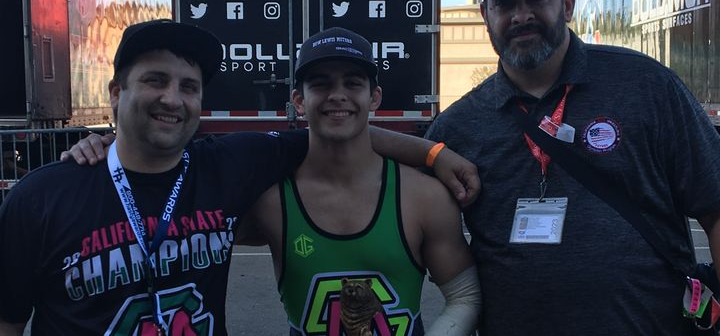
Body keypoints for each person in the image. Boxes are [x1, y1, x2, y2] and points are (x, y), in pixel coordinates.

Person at [0, 20, 480, 335]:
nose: (172, 98)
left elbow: (340, 131)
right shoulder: (40, 197)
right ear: (115, 92)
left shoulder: (225, 167)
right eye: (154, 81)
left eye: (189, 87)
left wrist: (434, 153)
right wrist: (103, 143)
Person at [424, 0, 720, 336]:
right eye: (505, 4)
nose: (521, 15)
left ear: (566, 5)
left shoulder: (645, 85)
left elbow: (715, 205)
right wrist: (416, 149)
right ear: (486, 16)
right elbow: (364, 172)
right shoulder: (458, 126)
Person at [239, 27, 481, 335]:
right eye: (321, 83)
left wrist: (433, 154)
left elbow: (465, 296)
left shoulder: (424, 197)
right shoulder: (271, 201)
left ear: (374, 97)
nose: (337, 94)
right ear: (299, 101)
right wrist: (431, 153)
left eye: (353, 83)